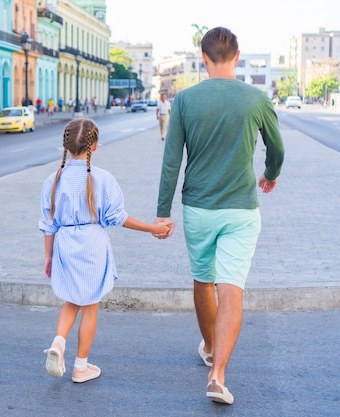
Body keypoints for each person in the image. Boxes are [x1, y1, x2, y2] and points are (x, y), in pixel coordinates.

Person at [154, 27, 285, 405]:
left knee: (203, 281)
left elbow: (171, 162)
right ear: (238, 55)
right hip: (241, 210)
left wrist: (163, 212)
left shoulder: (184, 100)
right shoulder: (256, 98)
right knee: (231, 291)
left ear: (203, 56)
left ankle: (210, 347)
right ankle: (217, 375)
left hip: (198, 208)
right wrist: (271, 175)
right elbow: (277, 150)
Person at [39, 118, 172, 384]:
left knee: (71, 301)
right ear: (95, 146)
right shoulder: (102, 179)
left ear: (65, 145)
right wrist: (151, 228)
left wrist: (49, 257)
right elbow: (118, 218)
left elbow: (48, 224)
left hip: (65, 243)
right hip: (92, 245)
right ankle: (80, 366)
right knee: (89, 306)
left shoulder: (52, 181)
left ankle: (58, 342)